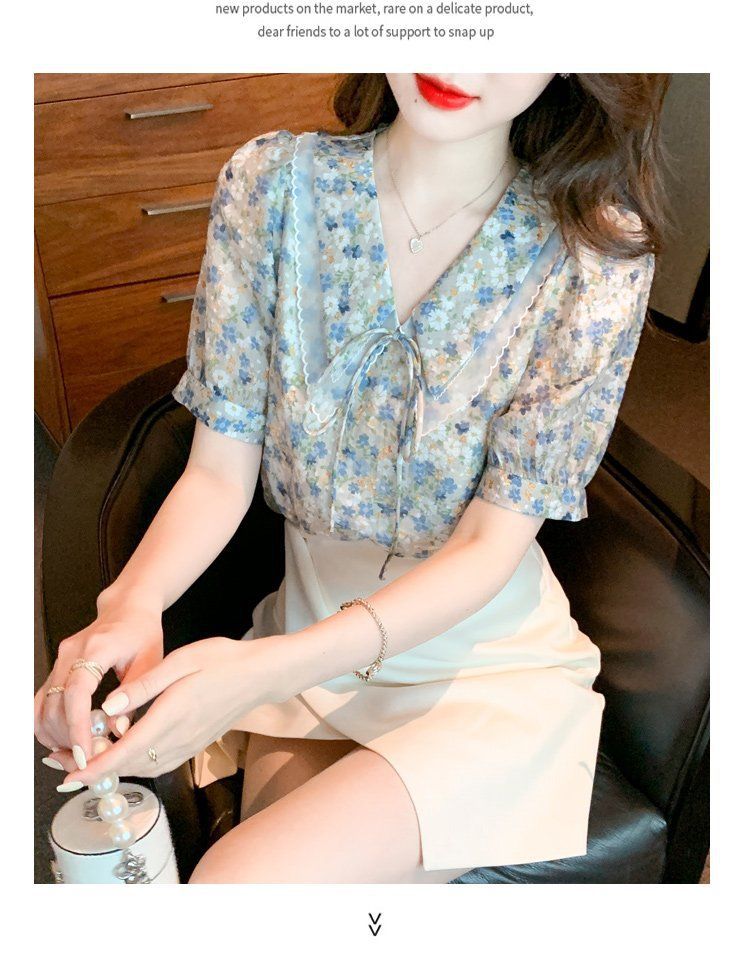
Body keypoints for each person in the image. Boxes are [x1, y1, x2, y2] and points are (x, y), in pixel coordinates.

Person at [34, 73, 670, 883]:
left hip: (478, 668)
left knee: (236, 885)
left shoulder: (594, 256)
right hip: (309, 642)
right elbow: (218, 472)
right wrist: (129, 602)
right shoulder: (270, 187)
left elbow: (489, 544)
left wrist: (268, 668)